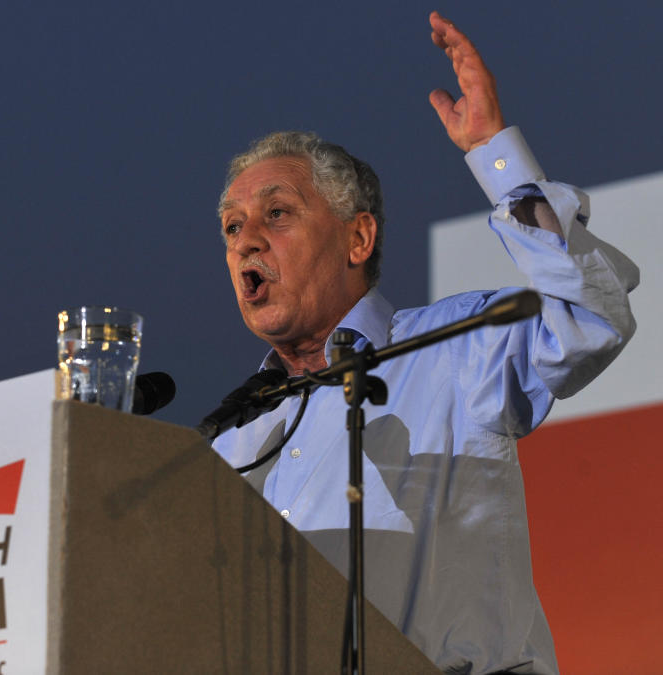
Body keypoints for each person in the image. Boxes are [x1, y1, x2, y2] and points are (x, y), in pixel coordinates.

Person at [211, 11, 639, 675]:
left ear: (358, 239)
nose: (246, 239)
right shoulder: (228, 438)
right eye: (232, 227)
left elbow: (592, 313)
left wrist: (496, 152)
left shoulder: (455, 348)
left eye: (277, 213)